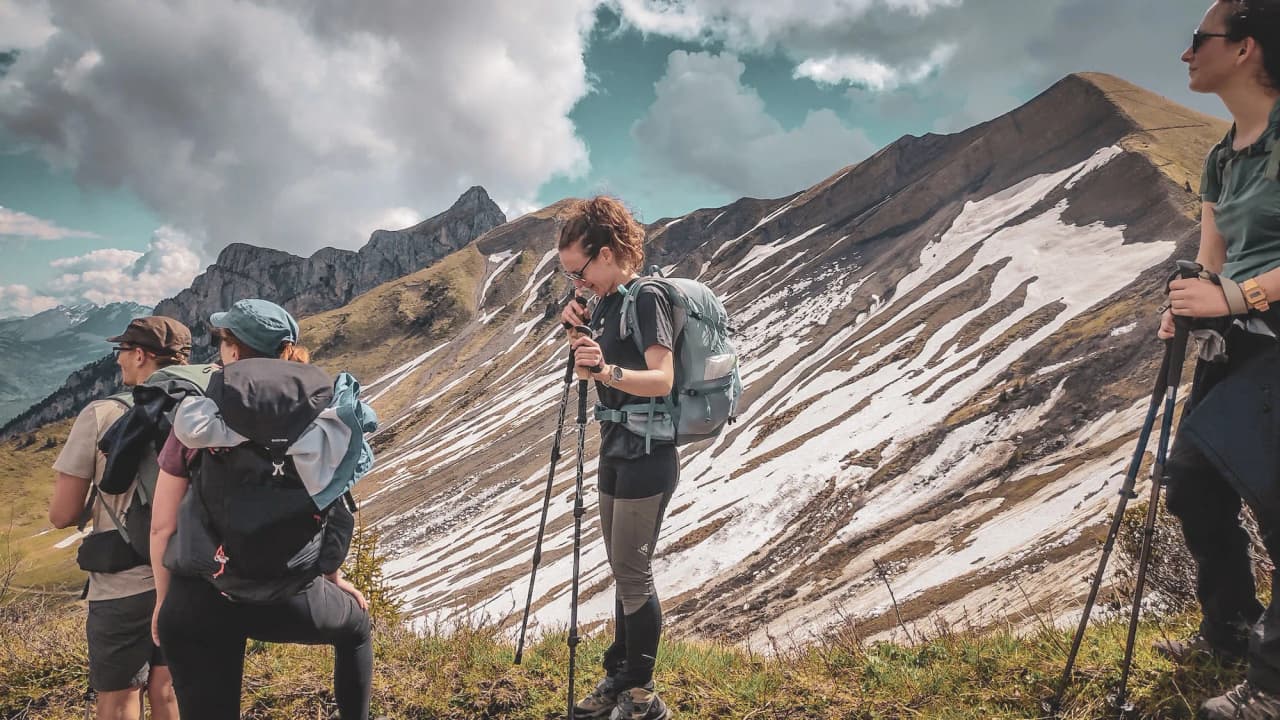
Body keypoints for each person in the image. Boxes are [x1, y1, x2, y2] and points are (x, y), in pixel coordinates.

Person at [149, 299, 374, 720]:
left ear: (234, 351)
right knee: (357, 629)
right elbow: (337, 510)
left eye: (222, 340)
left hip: (201, 594)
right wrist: (332, 577)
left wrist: (165, 601)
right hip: (289, 594)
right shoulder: (322, 418)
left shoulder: (200, 415)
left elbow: (162, 527)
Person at [1160, 1, 1280, 717]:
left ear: (1245, 48)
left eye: (1198, 40)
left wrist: (1235, 298)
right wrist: (1188, 301)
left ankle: (1271, 688)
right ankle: (1232, 626)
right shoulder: (1222, 154)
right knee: (1191, 480)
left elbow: (1233, 283)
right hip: (1238, 341)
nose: (1185, 55)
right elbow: (1214, 257)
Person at [558, 197, 676, 720]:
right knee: (623, 569)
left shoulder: (647, 298)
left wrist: (607, 373)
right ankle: (620, 676)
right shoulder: (606, 302)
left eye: (579, 272)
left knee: (633, 573)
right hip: (616, 446)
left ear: (605, 255)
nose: (577, 284)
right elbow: (595, 367)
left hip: (649, 452)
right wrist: (576, 334)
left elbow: (662, 378)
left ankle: (643, 696)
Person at [48, 316, 191, 720]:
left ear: (141, 355)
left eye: (122, 352)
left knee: (120, 695)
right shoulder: (200, 412)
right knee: (168, 688)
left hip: (123, 584)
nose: (119, 361)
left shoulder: (102, 414)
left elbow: (62, 515)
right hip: (185, 574)